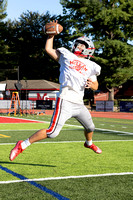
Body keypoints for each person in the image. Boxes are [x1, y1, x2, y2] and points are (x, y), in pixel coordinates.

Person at [9, 34, 102, 161]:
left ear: (88, 49)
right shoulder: (67, 56)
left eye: (81, 45)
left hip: (79, 103)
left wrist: (92, 85)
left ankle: (89, 143)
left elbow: (96, 85)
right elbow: (48, 50)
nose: (77, 46)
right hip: (66, 99)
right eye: (77, 43)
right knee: (52, 132)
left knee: (90, 127)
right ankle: (22, 145)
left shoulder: (92, 66)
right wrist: (50, 36)